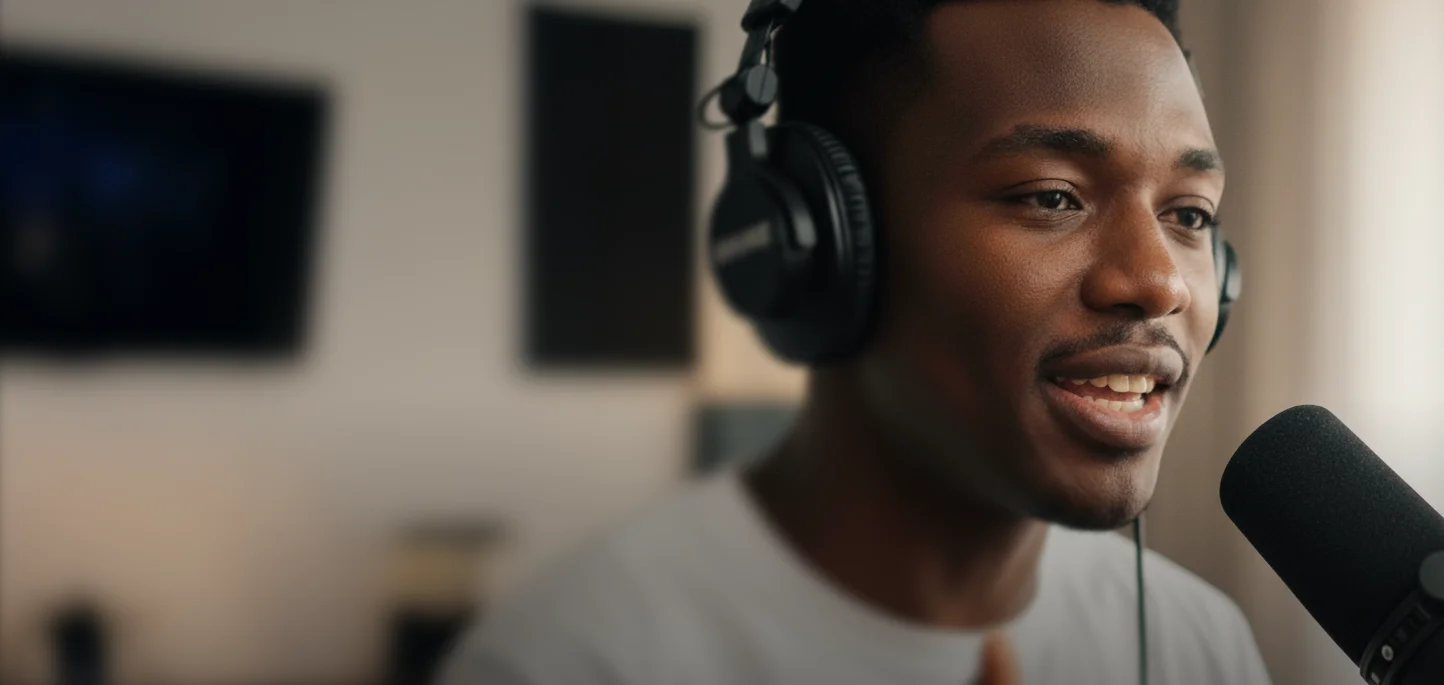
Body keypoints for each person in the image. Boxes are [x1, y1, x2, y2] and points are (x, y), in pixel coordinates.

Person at [440, 0, 1271, 683]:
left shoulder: (1199, 644)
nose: (1159, 282)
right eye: (1052, 197)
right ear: (817, 239)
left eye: (1189, 214)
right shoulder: (565, 660)